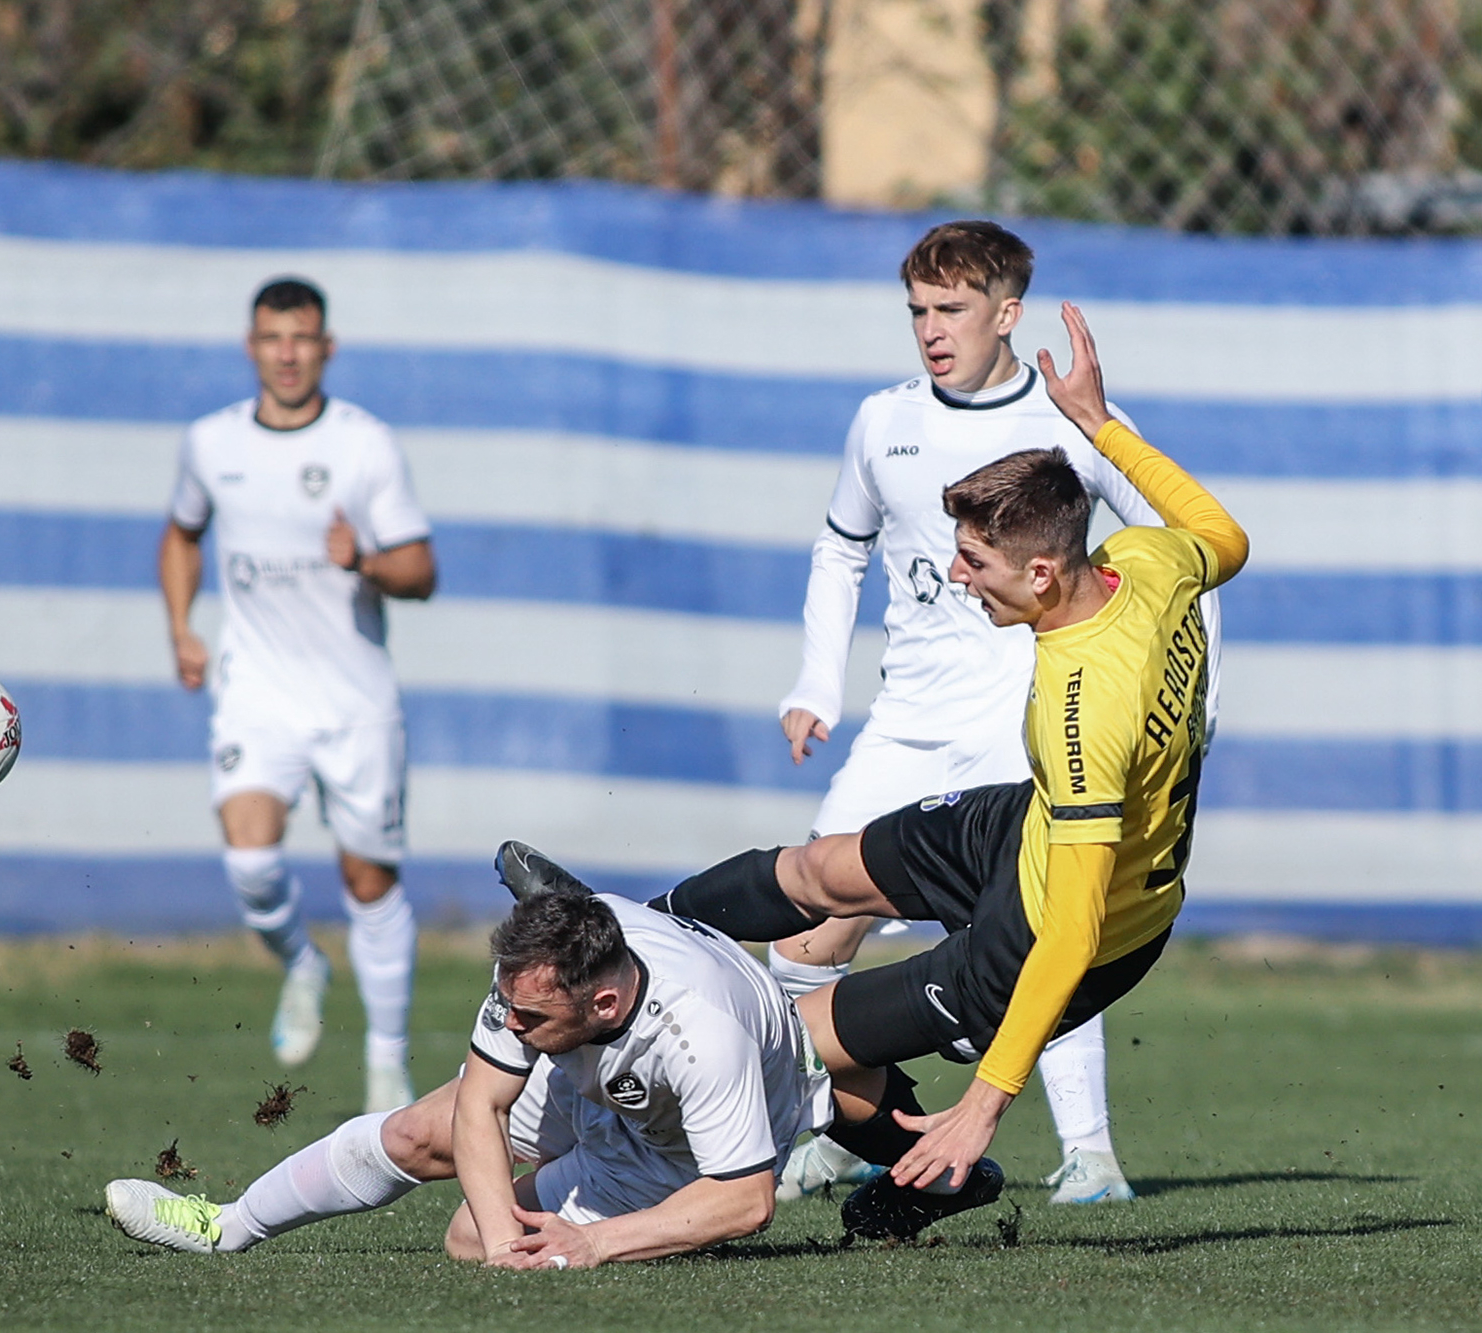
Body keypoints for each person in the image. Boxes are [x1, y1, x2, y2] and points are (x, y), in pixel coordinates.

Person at [515, 302, 1246, 1211]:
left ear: (1044, 574)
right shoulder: (1143, 559)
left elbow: (1072, 928)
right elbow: (1225, 536)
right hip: (1023, 831)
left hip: (1057, 934)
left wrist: (984, 1101)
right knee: (817, 868)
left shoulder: (1085, 705)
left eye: (975, 561)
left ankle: (948, 1176)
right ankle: (611, 925)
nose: (957, 576)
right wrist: (1098, 426)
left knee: (790, 1036)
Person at [768, 220, 1219, 1206]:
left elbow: (1178, 559)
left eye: (952, 308)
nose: (931, 330)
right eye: (917, 311)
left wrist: (1176, 707)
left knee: (1055, 913)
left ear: (1005, 313)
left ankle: (1088, 1150)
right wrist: (814, 681)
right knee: (804, 932)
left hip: (1020, 719)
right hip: (906, 720)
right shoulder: (879, 421)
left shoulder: (1072, 423)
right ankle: (846, 1126)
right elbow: (839, 548)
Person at [103, 887, 840, 1266]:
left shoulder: (703, 1035)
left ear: (604, 1000)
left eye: (530, 1018)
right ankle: (227, 1225)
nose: (510, 1025)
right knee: (421, 1134)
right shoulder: (542, 973)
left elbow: (746, 1198)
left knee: (466, 1236)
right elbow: (482, 1104)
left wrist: (599, 1242)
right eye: (508, 1005)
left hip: (683, 1149)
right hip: (592, 1073)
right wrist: (500, 1244)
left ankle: (598, 1204)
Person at [161, 277, 436, 1113]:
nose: (287, 353)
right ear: (251, 346)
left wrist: (367, 560)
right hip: (258, 690)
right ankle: (301, 962)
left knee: (368, 883)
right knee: (249, 855)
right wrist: (181, 627)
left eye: (302, 338)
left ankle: (386, 1063)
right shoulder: (210, 443)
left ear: (326, 347)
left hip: (354, 700)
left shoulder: (365, 446)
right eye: (273, 338)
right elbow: (181, 533)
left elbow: (420, 570)